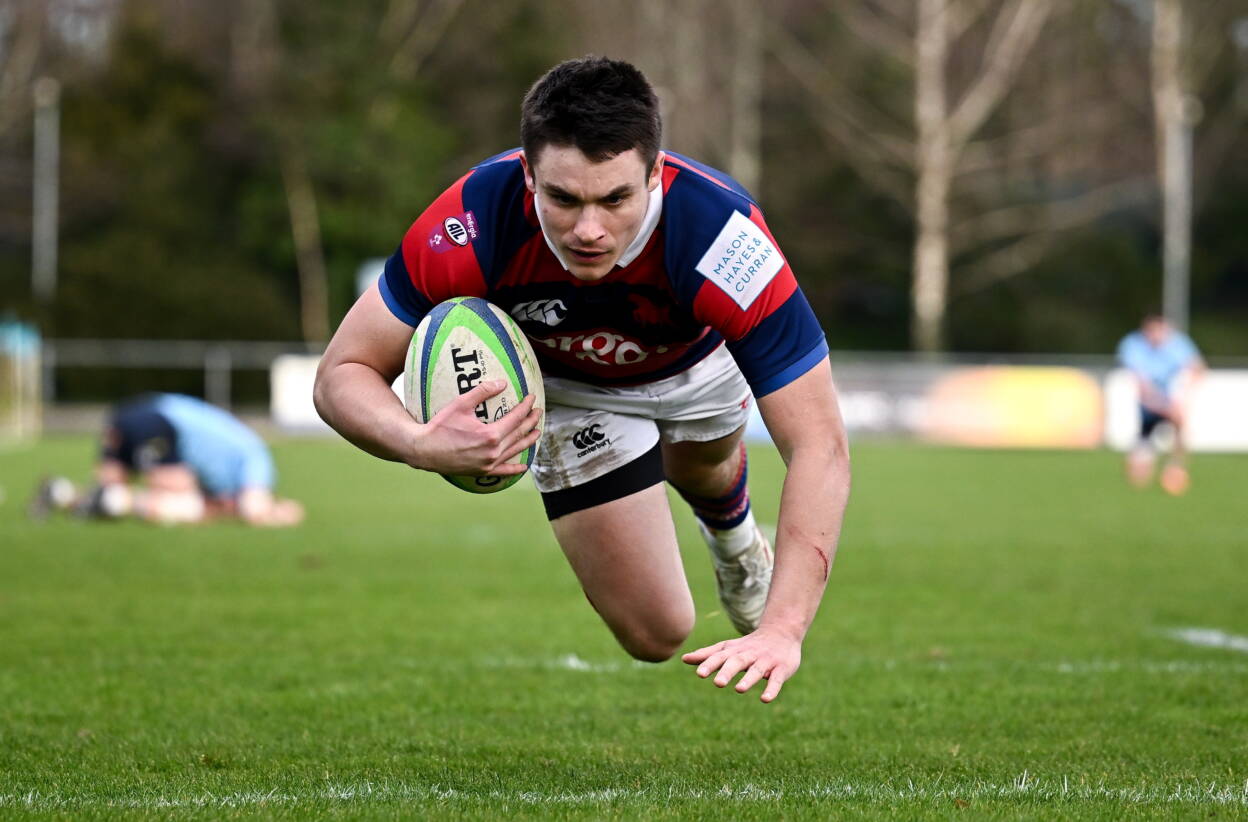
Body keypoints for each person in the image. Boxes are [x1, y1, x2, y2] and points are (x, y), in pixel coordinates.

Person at [314, 57, 850, 702]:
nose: (588, 230)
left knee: (705, 467)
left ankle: (735, 536)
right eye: (563, 199)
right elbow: (341, 373)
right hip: (567, 389)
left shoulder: (723, 237)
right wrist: (416, 443)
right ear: (528, 174)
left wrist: (784, 629)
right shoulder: (472, 221)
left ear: (655, 174)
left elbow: (819, 444)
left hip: (697, 366)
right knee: (656, 632)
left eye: (615, 199)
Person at [31, 392, 304, 526]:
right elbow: (253, 509)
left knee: (110, 483)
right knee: (186, 503)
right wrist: (281, 514)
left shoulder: (238, 448)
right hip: (160, 423)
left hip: (137, 414)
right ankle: (111, 502)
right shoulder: (258, 460)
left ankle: (61, 493)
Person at [1116, 313, 1204, 495]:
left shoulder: (1178, 344)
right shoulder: (1133, 345)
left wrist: (1184, 397)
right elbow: (1142, 386)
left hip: (1171, 400)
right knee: (1143, 445)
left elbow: (1197, 368)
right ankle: (1139, 474)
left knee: (1179, 425)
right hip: (1147, 404)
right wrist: (1163, 405)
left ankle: (1176, 466)